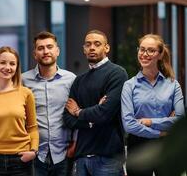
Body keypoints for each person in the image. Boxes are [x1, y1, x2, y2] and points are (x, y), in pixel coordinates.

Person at [63, 30, 128, 176]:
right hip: (81, 157)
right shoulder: (79, 80)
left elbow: (104, 114)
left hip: (108, 158)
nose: (92, 47)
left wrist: (79, 112)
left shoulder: (117, 73)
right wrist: (91, 120)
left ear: (107, 48)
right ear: (84, 49)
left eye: (97, 44)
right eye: (88, 44)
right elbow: (67, 119)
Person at [121, 34, 185, 176]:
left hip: (167, 146)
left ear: (160, 54)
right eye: (142, 49)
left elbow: (180, 120)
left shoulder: (173, 85)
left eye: (151, 50)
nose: (145, 54)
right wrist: (160, 132)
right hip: (138, 146)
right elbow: (129, 124)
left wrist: (149, 122)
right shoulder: (129, 86)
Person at [0, 46, 39, 176]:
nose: (7, 67)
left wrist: (33, 151)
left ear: (17, 67)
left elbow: (32, 127)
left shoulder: (26, 93)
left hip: (21, 160)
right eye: (3, 62)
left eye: (12, 63)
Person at [22, 31, 76, 176]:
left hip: (64, 154)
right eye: (40, 48)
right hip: (34, 154)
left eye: (49, 47)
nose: (45, 51)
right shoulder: (23, 81)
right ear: (35, 54)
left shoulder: (71, 79)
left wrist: (75, 144)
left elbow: (77, 113)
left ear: (57, 51)